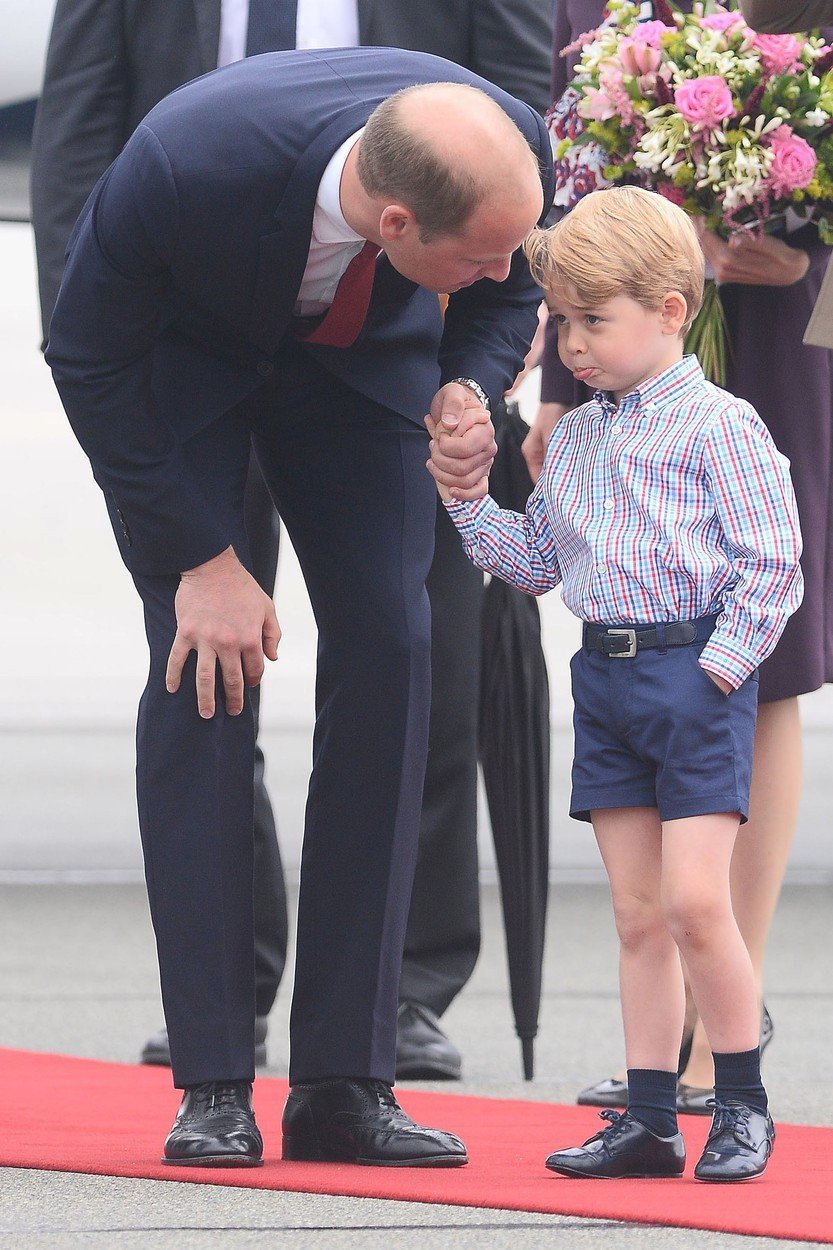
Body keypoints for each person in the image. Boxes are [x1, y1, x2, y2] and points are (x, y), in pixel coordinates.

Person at [30, 0, 554, 1082]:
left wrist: (467, 384)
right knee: (203, 672)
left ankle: (346, 1076)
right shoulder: (182, 161)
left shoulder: (501, 143)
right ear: (399, 224)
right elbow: (86, 357)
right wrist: (196, 557)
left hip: (363, 369)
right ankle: (215, 1073)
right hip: (196, 362)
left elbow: (514, 290)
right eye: (481, 253)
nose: (503, 268)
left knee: (394, 652)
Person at [430, 186, 803, 1181]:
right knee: (636, 913)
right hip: (603, 678)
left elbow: (774, 563)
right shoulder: (581, 440)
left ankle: (738, 1101)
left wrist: (716, 672)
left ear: (670, 310)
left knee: (693, 903)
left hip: (692, 677)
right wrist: (468, 499)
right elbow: (539, 560)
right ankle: (645, 1119)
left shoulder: (722, 426)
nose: (572, 344)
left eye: (592, 319)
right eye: (560, 321)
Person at [537, 0, 833, 1116]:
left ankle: (727, 1024)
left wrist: (791, 260)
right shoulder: (597, 13)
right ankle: (666, 1051)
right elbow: (571, 188)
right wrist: (564, 387)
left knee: (770, 656)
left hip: (791, 327)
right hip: (626, 341)